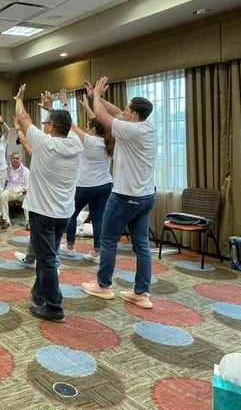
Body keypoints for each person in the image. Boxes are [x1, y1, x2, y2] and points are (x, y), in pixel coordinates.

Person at [81, 77, 158, 309]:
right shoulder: (148, 126)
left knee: (108, 239)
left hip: (125, 196)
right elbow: (116, 112)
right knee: (141, 245)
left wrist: (95, 97)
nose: (123, 111)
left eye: (127, 109)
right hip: (146, 196)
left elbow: (103, 117)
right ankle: (141, 293)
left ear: (134, 115)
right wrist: (100, 96)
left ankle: (103, 286)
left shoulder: (130, 131)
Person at [14, 84, 83, 324]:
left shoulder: (45, 143)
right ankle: (39, 294)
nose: (44, 127)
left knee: (47, 259)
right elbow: (68, 124)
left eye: (47, 124)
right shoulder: (75, 143)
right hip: (63, 212)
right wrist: (53, 109)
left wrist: (20, 98)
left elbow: (22, 118)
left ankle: (54, 307)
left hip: (43, 213)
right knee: (48, 255)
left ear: (52, 127)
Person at [52, 91, 114, 262]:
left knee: (70, 214)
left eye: (88, 126)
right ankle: (97, 252)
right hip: (105, 184)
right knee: (98, 218)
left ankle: (70, 246)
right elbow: (99, 123)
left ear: (93, 129)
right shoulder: (108, 141)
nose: (86, 128)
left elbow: (70, 124)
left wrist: (65, 103)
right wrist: (87, 107)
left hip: (86, 185)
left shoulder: (89, 141)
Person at [0, 152, 30, 230]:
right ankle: (6, 221)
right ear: (11, 159)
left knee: (28, 197)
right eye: (14, 158)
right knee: (2, 196)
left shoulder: (25, 170)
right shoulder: (6, 169)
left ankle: (28, 222)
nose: (15, 160)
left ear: (20, 159)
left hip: (21, 192)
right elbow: (2, 181)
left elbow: (28, 183)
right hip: (10, 190)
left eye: (17, 158)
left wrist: (26, 190)